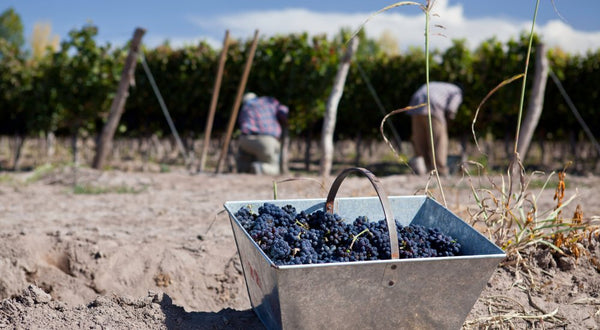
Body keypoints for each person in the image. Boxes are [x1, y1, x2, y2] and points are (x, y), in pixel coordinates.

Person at [406, 82, 463, 176]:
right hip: (433, 105)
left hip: (416, 103)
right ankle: (440, 170)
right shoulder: (457, 91)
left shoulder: (440, 86)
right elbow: (452, 109)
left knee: (420, 139)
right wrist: (447, 122)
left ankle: (422, 168)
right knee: (439, 140)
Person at [236, 92, 289, 175]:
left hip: (246, 140)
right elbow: (283, 110)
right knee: (274, 168)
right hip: (268, 140)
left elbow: (241, 124)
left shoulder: (245, 108)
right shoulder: (269, 101)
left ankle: (244, 168)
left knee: (244, 151)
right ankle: (261, 168)